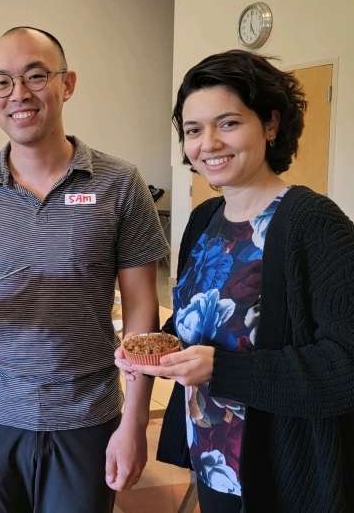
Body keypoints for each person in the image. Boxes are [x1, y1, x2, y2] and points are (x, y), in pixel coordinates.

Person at [0, 27, 169, 512]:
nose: (18, 94)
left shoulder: (120, 183)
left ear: (66, 85)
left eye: (36, 76)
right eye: (2, 82)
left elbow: (142, 307)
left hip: (86, 414)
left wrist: (135, 421)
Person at [116, 49, 354, 512]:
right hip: (214, 458)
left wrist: (221, 370)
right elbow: (207, 325)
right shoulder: (204, 219)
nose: (208, 143)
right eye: (193, 130)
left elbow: (346, 362)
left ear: (270, 124)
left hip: (284, 472)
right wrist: (151, 349)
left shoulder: (313, 223)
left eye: (228, 123)